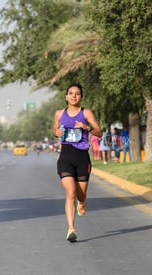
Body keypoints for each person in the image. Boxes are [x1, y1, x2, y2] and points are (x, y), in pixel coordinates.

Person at [53, 84, 102, 242]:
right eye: (71, 93)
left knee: (80, 195)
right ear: (66, 96)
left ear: (81, 97)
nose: (74, 96)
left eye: (77, 94)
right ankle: (71, 228)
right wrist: (57, 132)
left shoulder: (86, 113)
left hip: (82, 157)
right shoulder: (59, 113)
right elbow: (54, 131)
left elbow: (99, 132)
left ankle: (82, 202)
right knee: (70, 193)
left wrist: (86, 127)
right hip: (66, 156)